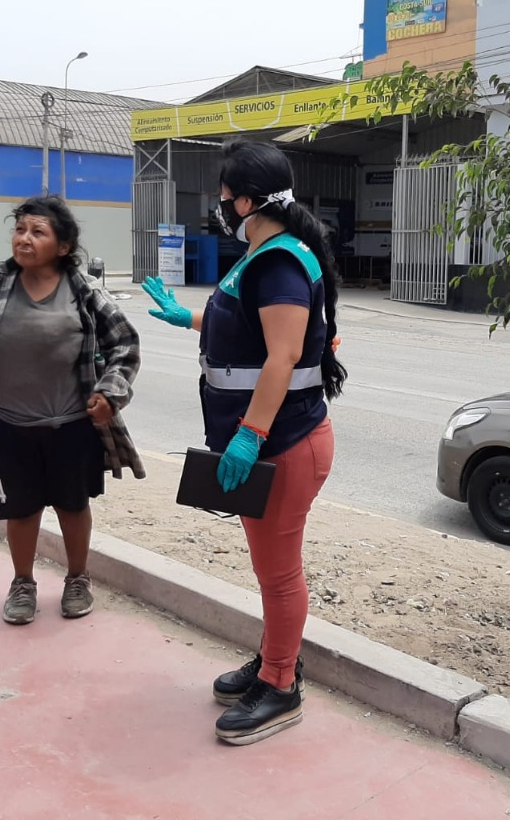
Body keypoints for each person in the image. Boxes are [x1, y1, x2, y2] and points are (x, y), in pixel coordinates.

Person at [143, 138, 344, 746]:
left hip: (284, 441)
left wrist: (250, 435)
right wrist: (187, 317)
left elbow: (283, 355)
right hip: (275, 439)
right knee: (269, 569)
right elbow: (247, 326)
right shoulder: (265, 253)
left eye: (224, 196)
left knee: (279, 573)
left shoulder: (279, 262)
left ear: (248, 201)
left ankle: (281, 686)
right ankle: (274, 659)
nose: (220, 205)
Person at [0, 196, 144, 625]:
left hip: (71, 424)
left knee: (72, 505)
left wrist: (110, 393)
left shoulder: (84, 291)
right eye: (20, 230)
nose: (24, 239)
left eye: (37, 232)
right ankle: (23, 583)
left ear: (63, 246)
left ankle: (78, 579)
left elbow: (125, 344)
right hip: (5, 424)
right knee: (20, 510)